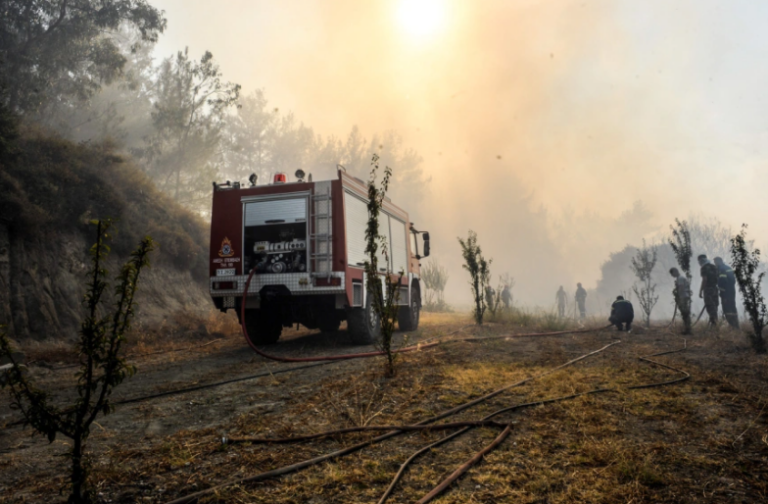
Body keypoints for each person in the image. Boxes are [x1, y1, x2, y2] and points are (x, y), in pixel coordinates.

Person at [714, 257, 739, 329]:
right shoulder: (728, 267)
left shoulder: (721, 269)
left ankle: (733, 326)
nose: (715, 264)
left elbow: (722, 281)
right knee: (732, 308)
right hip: (731, 291)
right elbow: (733, 281)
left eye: (715, 262)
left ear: (719, 262)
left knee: (727, 309)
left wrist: (720, 290)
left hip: (726, 293)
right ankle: (736, 326)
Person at [697, 254, 720, 327]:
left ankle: (714, 325)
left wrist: (701, 291)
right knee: (715, 306)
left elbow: (704, 279)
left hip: (708, 289)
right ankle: (715, 323)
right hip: (715, 289)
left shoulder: (703, 268)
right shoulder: (714, 266)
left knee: (710, 306)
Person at [669, 267, 692, 334]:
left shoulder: (680, 278)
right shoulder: (680, 278)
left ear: (675, 272)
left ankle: (688, 330)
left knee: (685, 313)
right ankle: (687, 329)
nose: (672, 275)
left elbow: (681, 288)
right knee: (685, 313)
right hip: (684, 297)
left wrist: (678, 296)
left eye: (672, 273)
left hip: (683, 297)